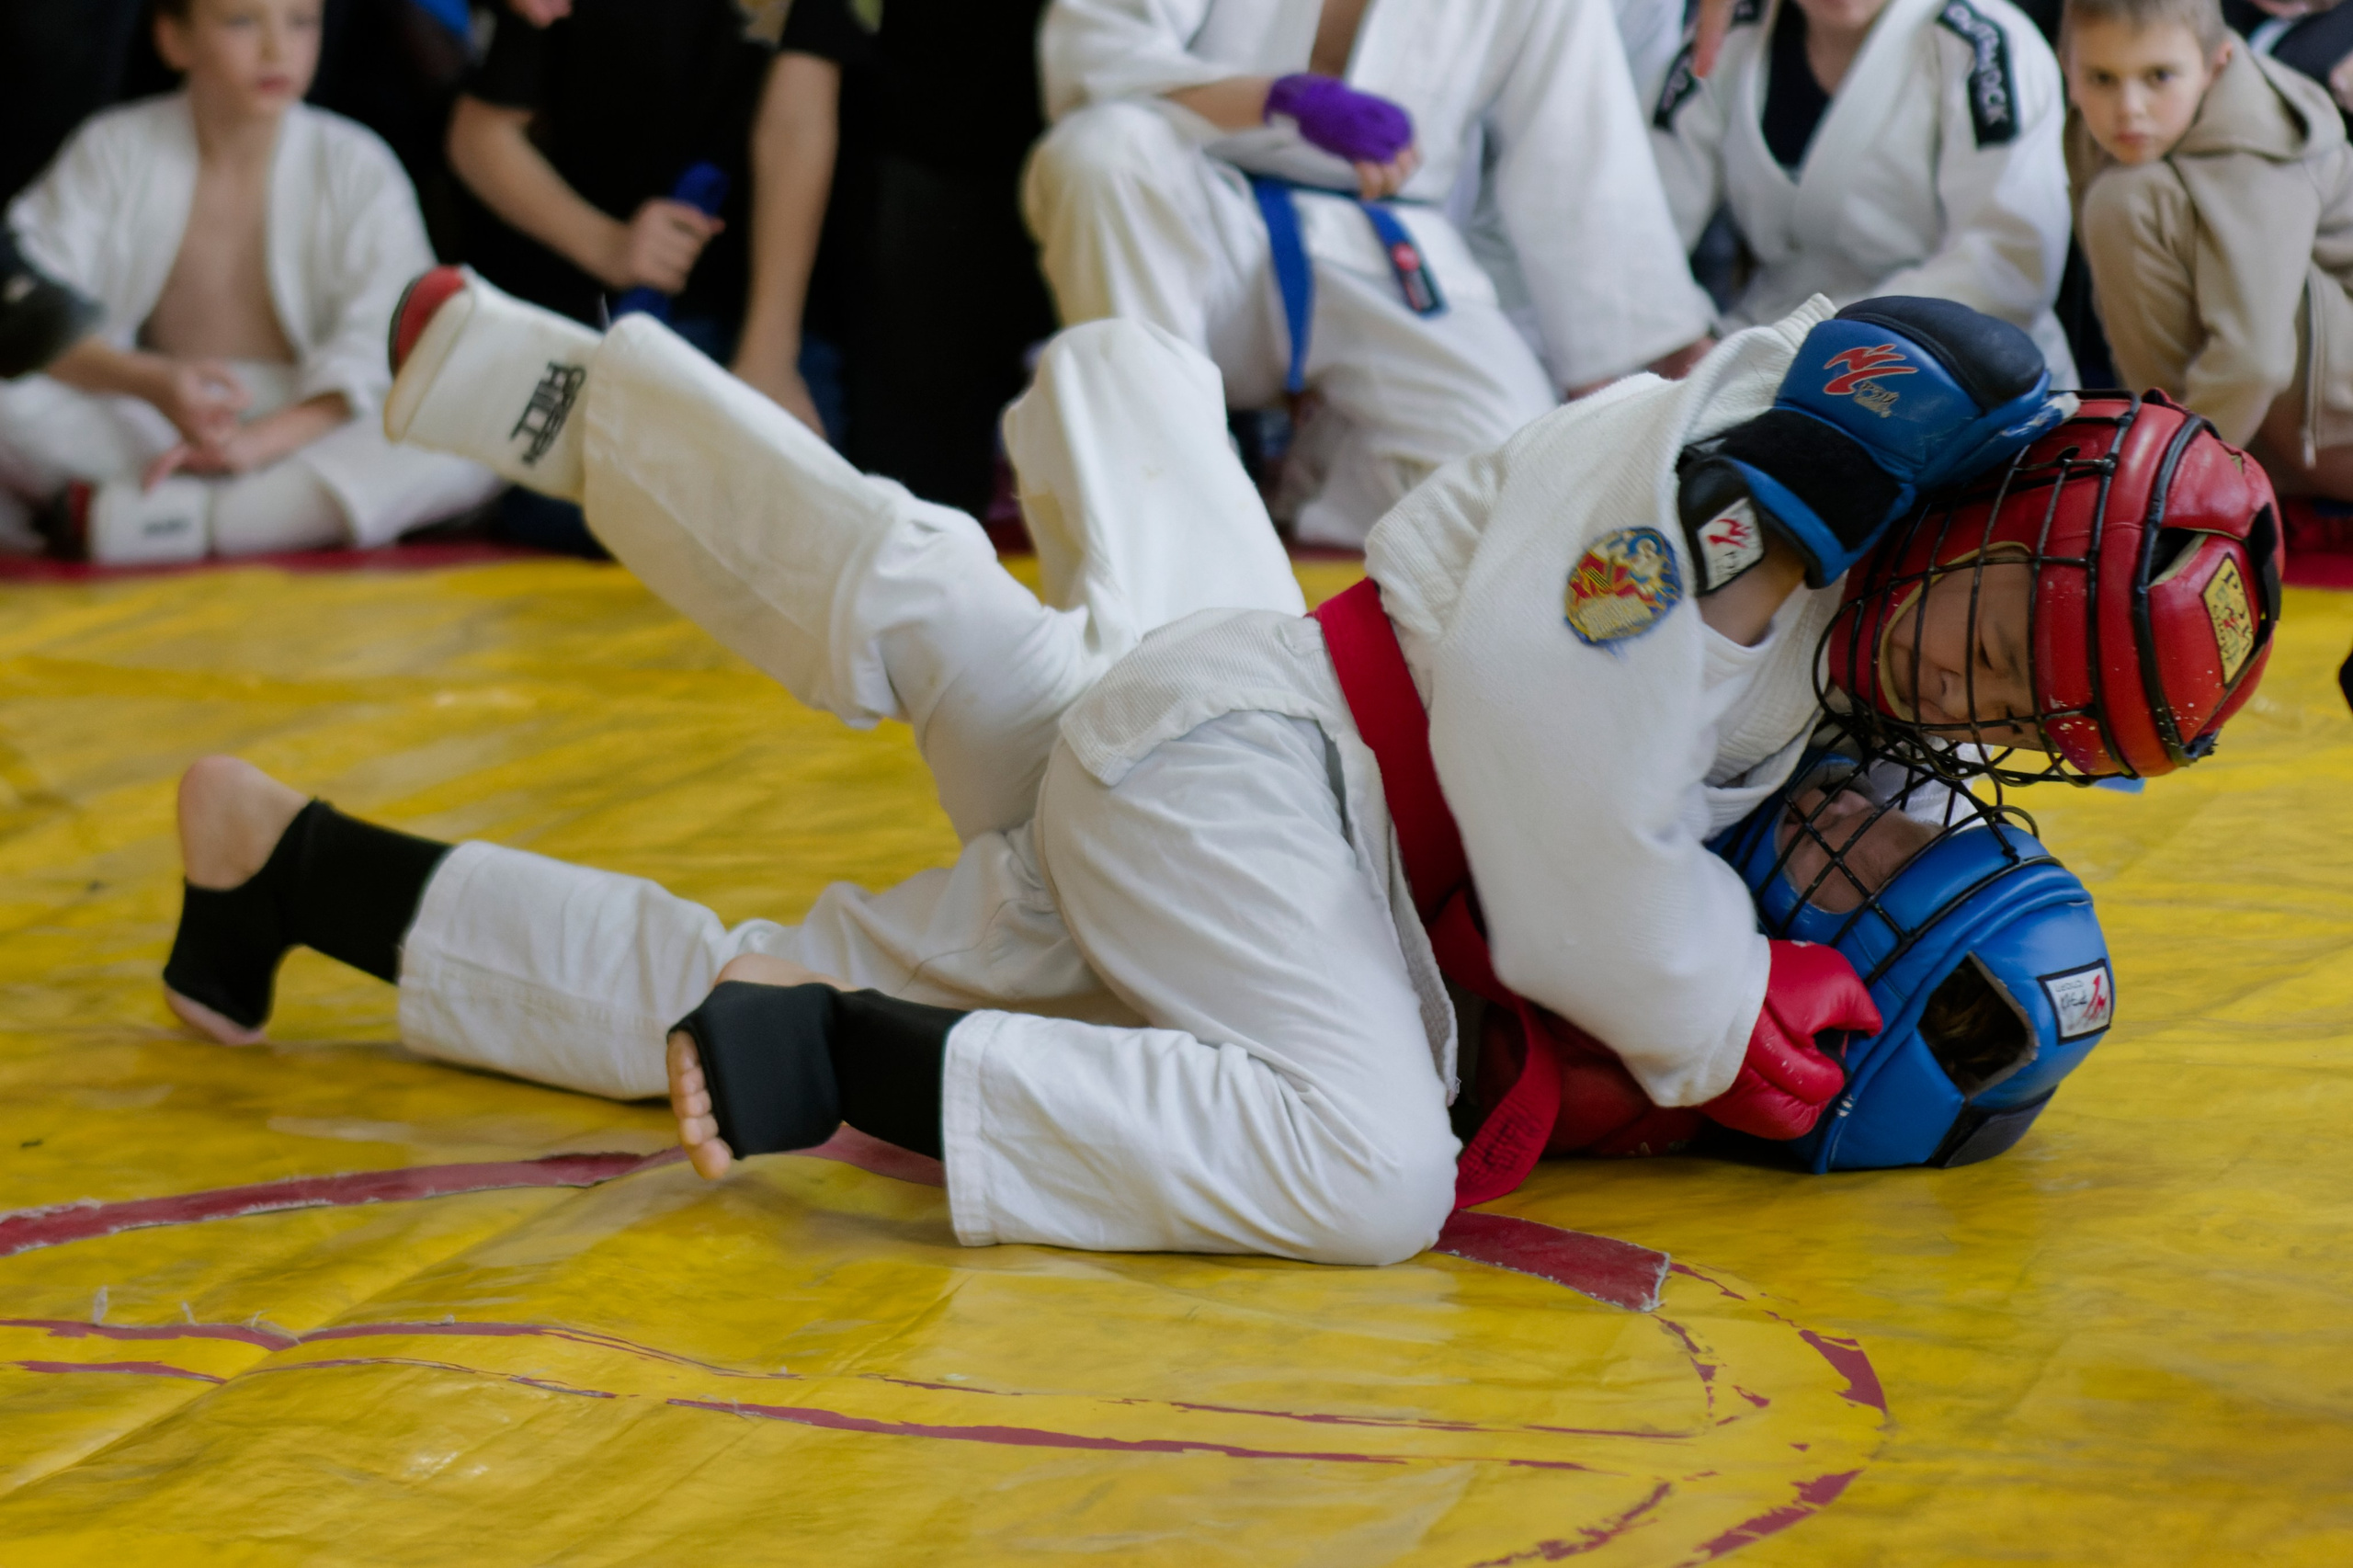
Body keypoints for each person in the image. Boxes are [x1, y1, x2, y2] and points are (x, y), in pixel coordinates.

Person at [165, 268, 2258, 1266]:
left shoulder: (1833, 620)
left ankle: (298, 874)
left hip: (1224, 800)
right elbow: (1555, 869)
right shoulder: (1728, 514)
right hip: (1254, 784)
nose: (1965, 686)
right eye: (1991, 627)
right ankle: (863, 1061)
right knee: (1362, 1172)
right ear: (1987, 502)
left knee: (907, 688)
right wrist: (1721, 1013)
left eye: (2013, 708)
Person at [1023, 0, 1715, 547]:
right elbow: (1094, 62)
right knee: (1100, 153)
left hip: (1384, 249)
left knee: (1510, 493)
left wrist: (1651, 363)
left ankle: (1320, 455)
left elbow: (1577, 162)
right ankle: (1161, 488)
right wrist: (1274, 99)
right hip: (1196, 227)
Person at [0, 0, 498, 565]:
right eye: (241, 22)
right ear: (174, 39)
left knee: (480, 419)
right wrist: (153, 382)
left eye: (301, 22)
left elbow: (386, 341)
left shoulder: (356, 162)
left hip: (309, 424)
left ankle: (189, 521)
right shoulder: (114, 147)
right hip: (154, 418)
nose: (276, 50)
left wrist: (258, 445)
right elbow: (24, 312)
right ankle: (267, 516)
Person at [1651, 0, 2081, 386]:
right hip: (1757, 354)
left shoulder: (1983, 41)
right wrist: (1678, 333)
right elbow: (1641, 219)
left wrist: (1809, 343)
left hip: (1955, 371)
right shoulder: (1730, 34)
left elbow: (2007, 266)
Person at [2064, 0, 2353, 499]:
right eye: (2101, 79)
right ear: (2068, 69)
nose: (2129, 106)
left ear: (2216, 65)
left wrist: (2162, 483)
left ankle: (2177, 473)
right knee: (2131, 197)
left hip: (2335, 431)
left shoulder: (2260, 143)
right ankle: (2182, 455)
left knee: (2127, 201)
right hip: (2292, 420)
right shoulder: (2097, 127)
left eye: (2159, 76)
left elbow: (2256, 358)